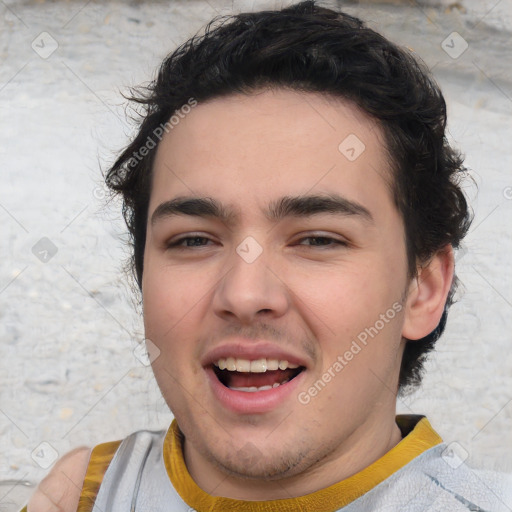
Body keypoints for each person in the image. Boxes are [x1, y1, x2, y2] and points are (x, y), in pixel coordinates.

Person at [21, 1, 512, 511]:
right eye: (193, 240)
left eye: (318, 239)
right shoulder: (85, 494)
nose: (244, 294)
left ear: (423, 289)